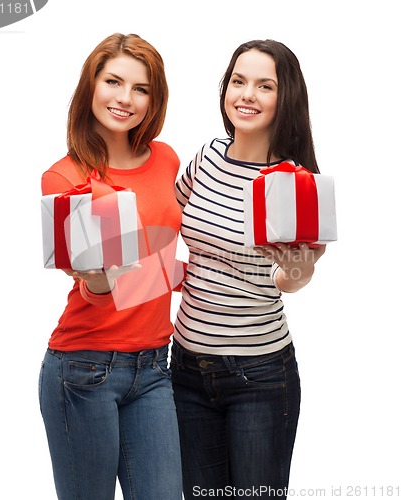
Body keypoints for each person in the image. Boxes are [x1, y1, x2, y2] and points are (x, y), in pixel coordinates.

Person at [171, 39, 327, 499]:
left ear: (286, 98)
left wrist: (299, 270)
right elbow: (165, 228)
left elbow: (288, 280)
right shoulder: (207, 156)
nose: (247, 95)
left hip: (258, 376)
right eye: (238, 81)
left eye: (264, 85)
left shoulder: (293, 182)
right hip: (185, 369)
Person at [39, 33, 183, 500]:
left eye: (140, 88)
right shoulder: (65, 178)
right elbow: (91, 290)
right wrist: (99, 281)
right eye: (113, 81)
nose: (125, 99)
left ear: (153, 98)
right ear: (92, 85)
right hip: (83, 369)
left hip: (154, 365)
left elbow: (159, 256)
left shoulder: (166, 160)